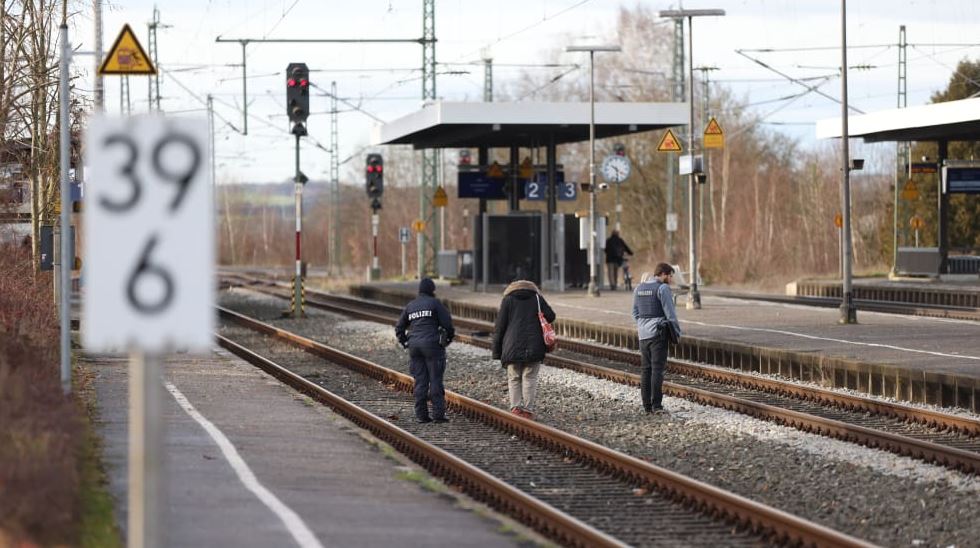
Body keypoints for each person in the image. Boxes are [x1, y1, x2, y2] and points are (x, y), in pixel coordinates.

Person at [492, 280, 556, 420]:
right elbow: (551, 316)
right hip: (535, 345)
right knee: (530, 377)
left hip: (512, 346)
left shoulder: (508, 300)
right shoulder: (537, 298)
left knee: (514, 377)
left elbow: (500, 327)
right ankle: (528, 410)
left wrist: (497, 351)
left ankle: (515, 407)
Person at [395, 278, 455, 424]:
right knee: (435, 380)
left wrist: (405, 342)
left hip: (415, 347)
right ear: (432, 290)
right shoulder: (435, 304)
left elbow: (399, 328)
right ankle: (438, 415)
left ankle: (422, 415)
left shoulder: (411, 305)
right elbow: (448, 324)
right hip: (433, 346)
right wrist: (447, 340)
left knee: (420, 381)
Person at [631, 263, 682, 415]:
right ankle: (657, 406)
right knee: (657, 370)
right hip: (658, 334)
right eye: (670, 276)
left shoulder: (638, 288)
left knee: (646, 370)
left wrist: (642, 325)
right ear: (663, 274)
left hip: (643, 335)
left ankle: (646, 406)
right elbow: (670, 313)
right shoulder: (663, 288)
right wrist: (676, 333)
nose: (671, 279)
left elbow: (634, 312)